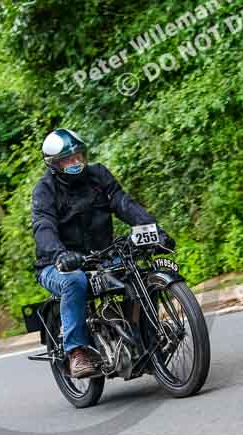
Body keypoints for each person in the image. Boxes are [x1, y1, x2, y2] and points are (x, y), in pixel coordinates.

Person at [32, 129, 176, 378]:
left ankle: (146, 338)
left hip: (102, 256)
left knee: (140, 270)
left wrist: (153, 230)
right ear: (54, 164)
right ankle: (76, 351)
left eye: (79, 156)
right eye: (68, 159)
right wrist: (60, 254)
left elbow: (124, 204)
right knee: (74, 281)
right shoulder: (45, 190)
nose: (76, 162)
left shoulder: (98, 175)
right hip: (57, 264)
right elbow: (43, 227)